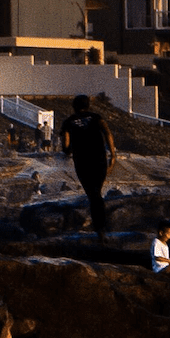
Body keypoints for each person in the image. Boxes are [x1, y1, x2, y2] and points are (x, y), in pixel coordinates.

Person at [61, 95, 117, 238]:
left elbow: (65, 146)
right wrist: (113, 155)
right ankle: (101, 228)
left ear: (74, 106)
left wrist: (72, 147)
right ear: (88, 106)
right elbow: (108, 133)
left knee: (93, 195)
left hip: (82, 162)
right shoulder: (96, 117)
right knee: (96, 193)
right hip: (99, 159)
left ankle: (100, 228)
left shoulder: (68, 122)